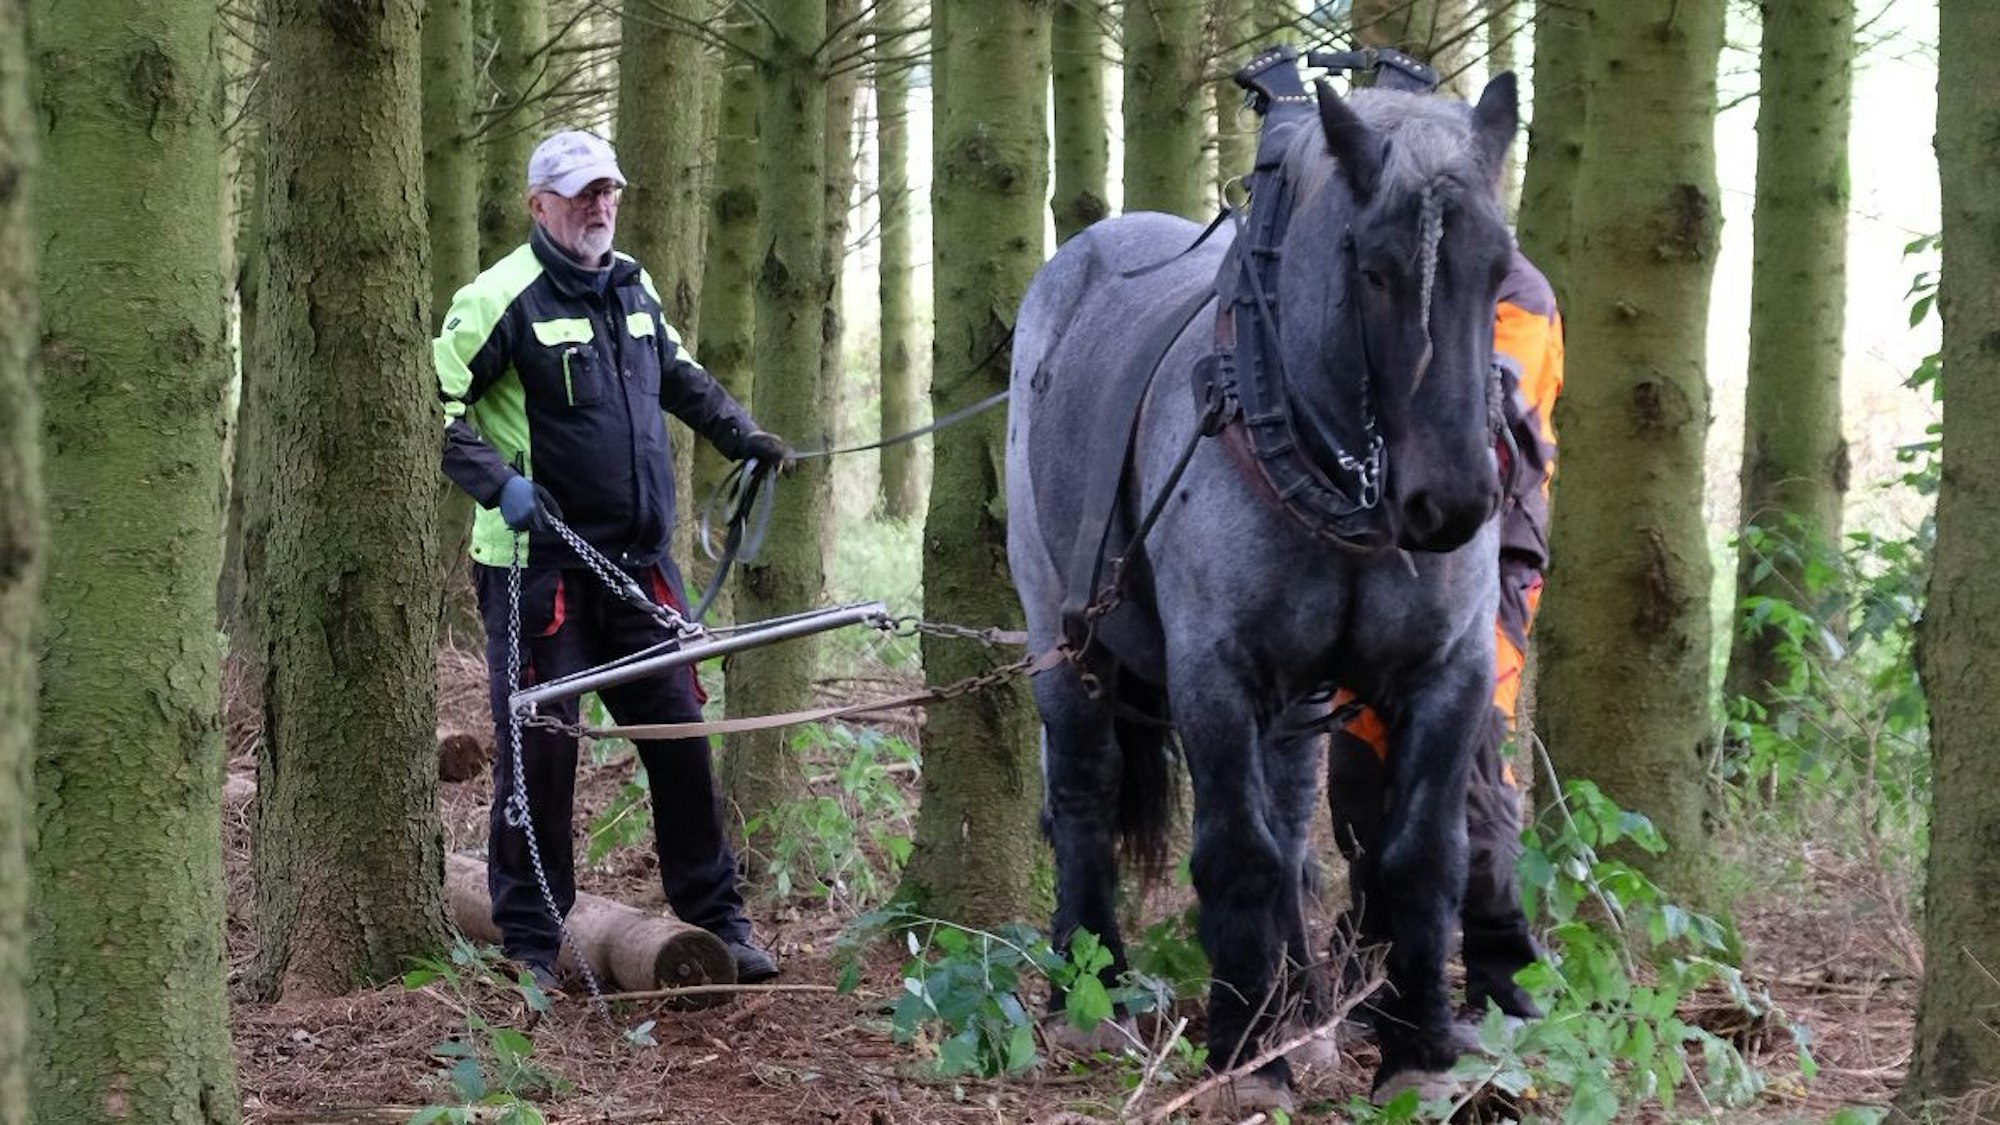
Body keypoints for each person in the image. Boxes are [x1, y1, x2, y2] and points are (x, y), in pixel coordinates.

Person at [433, 129, 787, 988]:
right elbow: (433, 408)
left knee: (679, 739)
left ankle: (718, 922)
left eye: (608, 190)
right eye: (582, 192)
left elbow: (679, 375)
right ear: (539, 204)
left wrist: (742, 436)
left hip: (637, 570)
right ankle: (531, 944)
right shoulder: (496, 298)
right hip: (536, 573)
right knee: (541, 761)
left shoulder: (632, 286)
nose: (599, 205)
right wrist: (495, 484)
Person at [1327, 243, 1565, 1027]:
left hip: (1485, 569)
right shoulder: (1393, 282)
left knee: (1468, 764)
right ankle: (1374, 958)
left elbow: (1500, 424)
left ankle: (1501, 974)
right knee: (1361, 768)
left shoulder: (1517, 295)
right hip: (1372, 566)